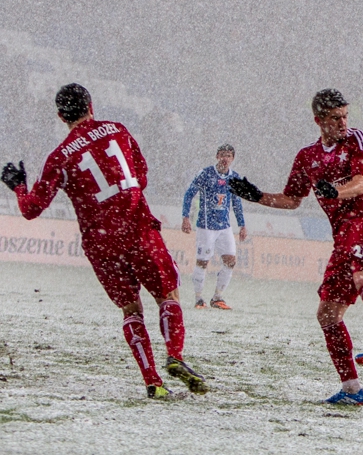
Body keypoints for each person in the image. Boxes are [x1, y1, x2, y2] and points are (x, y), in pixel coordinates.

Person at [1, 83, 209, 400]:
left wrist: (18, 186)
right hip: (137, 226)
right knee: (167, 294)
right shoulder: (117, 130)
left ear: (60, 116)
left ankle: (153, 382)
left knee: (130, 310)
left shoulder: (59, 157)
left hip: (101, 243)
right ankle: (175, 355)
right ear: (91, 105)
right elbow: (142, 175)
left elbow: (31, 209)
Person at [229, 88, 363, 405]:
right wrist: (256, 195)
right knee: (328, 314)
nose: (343, 122)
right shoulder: (308, 157)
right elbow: (292, 199)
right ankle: (352, 391)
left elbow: (361, 183)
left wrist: (334, 190)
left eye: (345, 115)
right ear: (319, 120)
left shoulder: (357, 139)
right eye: (336, 117)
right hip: (342, 235)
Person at [182, 144, 247, 310]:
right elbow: (189, 194)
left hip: (224, 227)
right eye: (223, 155)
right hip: (206, 226)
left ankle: (217, 298)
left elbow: (237, 202)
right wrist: (185, 217)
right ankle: (198, 299)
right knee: (203, 261)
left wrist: (242, 224)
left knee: (230, 261)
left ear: (232, 159)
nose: (226, 159)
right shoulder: (205, 174)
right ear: (218, 155)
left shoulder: (234, 177)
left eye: (229, 156)